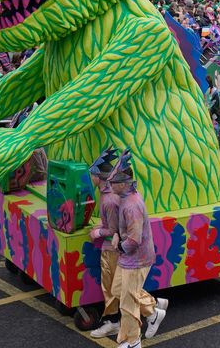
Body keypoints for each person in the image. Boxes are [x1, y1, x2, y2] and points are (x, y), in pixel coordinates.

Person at [108, 151, 168, 348]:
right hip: (130, 257)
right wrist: (117, 233)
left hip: (136, 258)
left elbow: (134, 238)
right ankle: (152, 310)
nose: (110, 185)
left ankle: (133, 341)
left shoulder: (131, 206)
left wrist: (119, 245)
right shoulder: (126, 197)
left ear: (124, 184)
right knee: (118, 290)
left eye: (114, 182)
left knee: (128, 302)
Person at [88, 148, 122, 339]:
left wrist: (98, 231)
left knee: (110, 287)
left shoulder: (108, 199)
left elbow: (114, 229)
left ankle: (112, 322)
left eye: (92, 175)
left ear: (97, 177)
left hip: (112, 249)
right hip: (113, 248)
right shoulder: (107, 193)